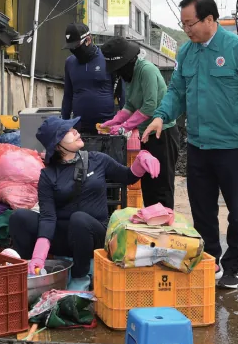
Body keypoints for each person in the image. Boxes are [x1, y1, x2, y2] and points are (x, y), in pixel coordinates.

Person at [143, 0, 238, 290]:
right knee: (202, 209)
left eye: (190, 24)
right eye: (183, 24)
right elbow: (176, 91)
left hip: (233, 146)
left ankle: (236, 265)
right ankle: (211, 259)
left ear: (210, 19)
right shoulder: (187, 53)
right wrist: (161, 116)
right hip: (199, 145)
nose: (186, 30)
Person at [10, 116, 160, 291]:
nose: (75, 131)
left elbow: (127, 176)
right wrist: (38, 255)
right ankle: (31, 271)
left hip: (94, 234)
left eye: (73, 128)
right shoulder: (48, 175)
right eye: (67, 131)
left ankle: (80, 277)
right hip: (65, 236)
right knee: (19, 218)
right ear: (57, 145)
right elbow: (48, 217)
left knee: (79, 220)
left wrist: (142, 159)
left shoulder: (98, 159)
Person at [97, 37, 179, 209]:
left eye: (118, 69)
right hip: (145, 135)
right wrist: (115, 121)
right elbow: (130, 105)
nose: (118, 74)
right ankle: (150, 217)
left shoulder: (146, 70)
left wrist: (124, 127)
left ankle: (163, 220)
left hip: (162, 134)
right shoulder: (130, 76)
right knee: (148, 184)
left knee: (161, 184)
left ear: (126, 62)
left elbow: (149, 106)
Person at [61, 23, 123, 133]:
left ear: (88, 40)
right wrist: (63, 125)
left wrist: (125, 125)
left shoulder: (107, 58)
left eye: (76, 46)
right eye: (71, 48)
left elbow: (121, 93)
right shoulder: (70, 63)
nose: (74, 50)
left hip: (106, 126)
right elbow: (67, 96)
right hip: (79, 128)